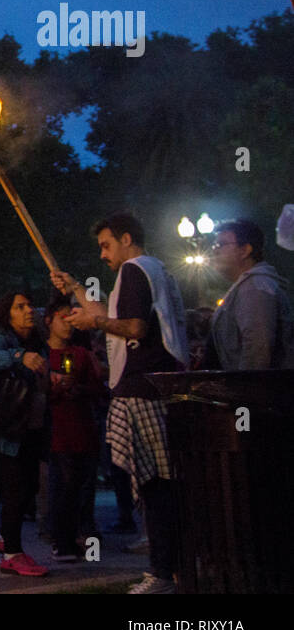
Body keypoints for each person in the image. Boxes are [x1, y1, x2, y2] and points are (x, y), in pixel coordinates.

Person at [51, 212, 187, 594]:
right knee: (158, 482)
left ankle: (162, 573)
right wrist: (76, 288)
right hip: (157, 387)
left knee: (155, 483)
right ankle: (169, 566)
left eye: (106, 245)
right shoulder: (156, 269)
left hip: (143, 389)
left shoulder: (133, 270)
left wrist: (91, 324)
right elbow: (112, 315)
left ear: (127, 239)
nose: (102, 255)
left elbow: (133, 327)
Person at [0, 292, 50, 577]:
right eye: (20, 307)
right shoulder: (2, 338)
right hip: (8, 429)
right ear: (8, 314)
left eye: (30, 305)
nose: (28, 311)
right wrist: (20, 356)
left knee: (28, 488)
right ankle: (12, 554)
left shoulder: (35, 340)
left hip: (30, 426)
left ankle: (2, 536)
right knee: (15, 491)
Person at [42, 296, 102, 562]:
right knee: (62, 488)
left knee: (84, 489)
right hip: (57, 432)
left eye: (72, 319)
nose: (68, 325)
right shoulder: (41, 355)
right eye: (62, 318)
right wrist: (52, 388)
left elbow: (98, 389)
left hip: (84, 429)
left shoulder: (80, 354)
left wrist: (79, 389)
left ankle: (85, 539)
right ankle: (61, 540)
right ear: (49, 320)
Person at [204, 219, 294, 370]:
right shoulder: (248, 285)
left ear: (245, 250)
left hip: (262, 390)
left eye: (221, 244)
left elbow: (258, 348)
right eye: (214, 245)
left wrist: (246, 388)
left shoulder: (255, 287)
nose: (214, 250)